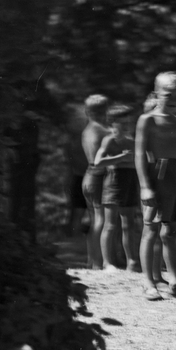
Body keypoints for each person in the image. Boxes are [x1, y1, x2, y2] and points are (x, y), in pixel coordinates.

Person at [136, 72, 176, 300]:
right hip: (157, 175)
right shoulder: (147, 120)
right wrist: (145, 186)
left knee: (172, 230)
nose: (174, 99)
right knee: (151, 229)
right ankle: (148, 281)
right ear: (157, 93)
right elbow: (139, 154)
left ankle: (174, 280)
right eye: (169, 95)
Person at [94, 104, 141, 272]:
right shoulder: (109, 140)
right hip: (113, 183)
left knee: (129, 224)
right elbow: (98, 162)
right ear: (112, 123)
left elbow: (137, 163)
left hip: (129, 182)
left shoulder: (133, 142)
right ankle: (108, 263)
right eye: (122, 122)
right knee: (111, 224)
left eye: (128, 122)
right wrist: (121, 158)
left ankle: (132, 262)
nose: (126, 125)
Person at [80, 94, 111, 269]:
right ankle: (99, 262)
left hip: (89, 175)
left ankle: (93, 260)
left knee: (95, 219)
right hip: (98, 177)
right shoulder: (100, 130)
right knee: (101, 219)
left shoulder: (88, 129)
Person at [64, 108, 88, 239]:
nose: (79, 123)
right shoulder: (70, 142)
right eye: (76, 120)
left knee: (91, 211)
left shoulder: (90, 138)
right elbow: (70, 164)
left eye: (81, 120)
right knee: (77, 210)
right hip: (78, 177)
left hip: (89, 177)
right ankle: (74, 241)